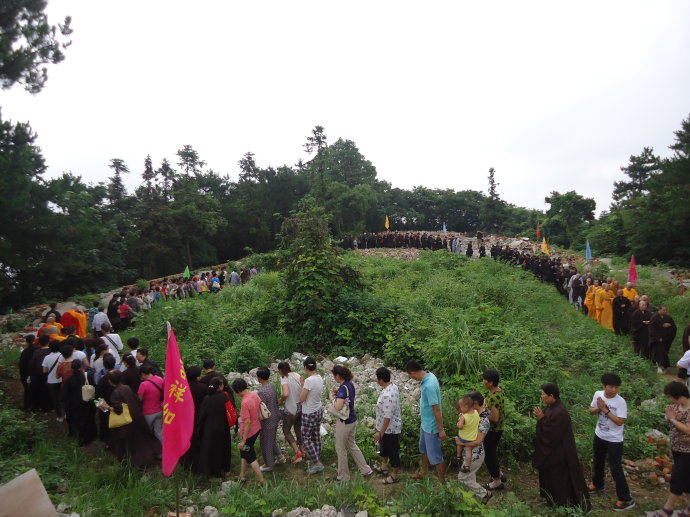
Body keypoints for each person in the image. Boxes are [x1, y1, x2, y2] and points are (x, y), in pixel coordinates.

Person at [533, 382, 590, 510]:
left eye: (543, 394)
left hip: (560, 452)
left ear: (551, 395)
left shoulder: (561, 412)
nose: (542, 396)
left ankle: (563, 502)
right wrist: (542, 419)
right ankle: (549, 497)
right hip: (552, 450)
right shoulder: (551, 407)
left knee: (559, 478)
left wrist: (542, 419)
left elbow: (552, 433)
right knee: (548, 475)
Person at [588, 373, 634, 512]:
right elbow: (591, 411)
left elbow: (620, 422)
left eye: (616, 387)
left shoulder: (620, 402)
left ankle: (626, 498)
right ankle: (598, 484)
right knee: (598, 461)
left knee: (615, 468)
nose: (614, 390)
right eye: (611, 387)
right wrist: (598, 408)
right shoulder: (598, 394)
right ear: (604, 386)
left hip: (614, 439)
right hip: (600, 434)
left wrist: (605, 410)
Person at [100, 370, 161, 470]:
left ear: (110, 382)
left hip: (127, 422)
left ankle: (136, 463)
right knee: (140, 440)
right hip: (136, 416)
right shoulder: (126, 387)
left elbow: (118, 410)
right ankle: (152, 455)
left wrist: (105, 406)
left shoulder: (115, 393)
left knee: (129, 444)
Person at [330, 365, 373, 482]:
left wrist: (332, 398)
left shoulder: (343, 388)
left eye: (334, 376)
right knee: (352, 445)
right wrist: (337, 393)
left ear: (338, 376)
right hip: (352, 419)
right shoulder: (349, 384)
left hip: (344, 422)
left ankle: (343, 476)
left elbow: (338, 406)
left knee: (340, 448)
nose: (334, 378)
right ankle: (366, 470)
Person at [405, 360, 446, 483]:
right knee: (423, 450)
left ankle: (443, 484)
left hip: (432, 427)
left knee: (436, 456)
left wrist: (441, 429)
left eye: (410, 375)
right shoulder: (430, 375)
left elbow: (436, 408)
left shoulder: (429, 385)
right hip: (425, 424)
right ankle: (423, 473)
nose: (411, 378)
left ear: (413, 373)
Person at [653, 382, 690, 517]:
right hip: (676, 449)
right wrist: (668, 417)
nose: (670, 400)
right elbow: (671, 421)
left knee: (677, 478)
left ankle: (667, 509)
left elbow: (688, 430)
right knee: (686, 482)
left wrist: (673, 419)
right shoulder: (677, 406)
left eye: (671, 397)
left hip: (688, 452)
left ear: (679, 395)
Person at [457, 391, 492, 504]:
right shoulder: (473, 414)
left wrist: (461, 443)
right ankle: (472, 501)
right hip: (470, 453)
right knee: (470, 477)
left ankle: (484, 493)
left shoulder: (483, 420)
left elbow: (478, 441)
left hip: (475, 454)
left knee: (463, 478)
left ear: (475, 403)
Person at [195, 377, 232, 479]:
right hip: (223, 427)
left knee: (211, 449)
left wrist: (198, 429)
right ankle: (226, 468)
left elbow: (201, 415)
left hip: (209, 428)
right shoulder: (224, 397)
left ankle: (212, 472)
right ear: (220, 386)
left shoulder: (207, 399)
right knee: (224, 448)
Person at [231, 378, 265, 486]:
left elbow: (246, 422)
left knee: (250, 456)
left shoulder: (245, 402)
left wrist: (243, 440)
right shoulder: (254, 394)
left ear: (238, 391)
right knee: (244, 453)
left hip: (248, 433)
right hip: (257, 428)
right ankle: (242, 475)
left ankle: (261, 480)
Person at [373, 367, 402, 485]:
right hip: (385, 428)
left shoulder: (388, 395)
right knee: (383, 449)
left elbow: (387, 417)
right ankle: (384, 467)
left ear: (380, 380)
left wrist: (381, 432)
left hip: (390, 429)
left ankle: (395, 475)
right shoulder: (393, 386)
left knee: (393, 451)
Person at [482, 368, 507, 491]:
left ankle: (496, 480)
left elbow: (495, 418)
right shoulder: (498, 391)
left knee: (489, 455)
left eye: (484, 380)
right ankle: (498, 473)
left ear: (490, 382)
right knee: (492, 452)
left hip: (493, 430)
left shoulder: (494, 397)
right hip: (498, 429)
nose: (483, 381)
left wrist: (483, 410)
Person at [61, 359, 97, 445]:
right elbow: (94, 387)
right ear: (81, 367)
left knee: (78, 421)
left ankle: (80, 438)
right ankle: (91, 436)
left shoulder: (69, 380)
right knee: (89, 419)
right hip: (87, 401)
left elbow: (64, 394)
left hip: (75, 404)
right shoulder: (87, 376)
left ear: (72, 368)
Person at [257, 366, 285, 472]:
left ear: (259, 378)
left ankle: (268, 464)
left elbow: (261, 407)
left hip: (267, 420)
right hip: (275, 415)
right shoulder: (272, 385)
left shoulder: (262, 392)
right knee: (271, 439)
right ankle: (280, 456)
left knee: (266, 442)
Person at [300, 357, 325, 475]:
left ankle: (317, 463)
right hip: (318, 409)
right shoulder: (319, 377)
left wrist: (302, 385)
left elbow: (302, 398)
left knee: (306, 438)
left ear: (305, 367)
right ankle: (317, 458)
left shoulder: (309, 381)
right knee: (316, 436)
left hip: (309, 412)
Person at [278, 361, 305, 463]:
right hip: (300, 407)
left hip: (291, 409)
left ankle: (297, 452)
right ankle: (303, 451)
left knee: (286, 430)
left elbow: (285, 393)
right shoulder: (297, 375)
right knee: (298, 428)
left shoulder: (284, 378)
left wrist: (280, 400)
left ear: (280, 370)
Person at [138, 364, 164, 442]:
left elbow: (140, 399)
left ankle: (150, 449)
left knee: (147, 432)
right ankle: (163, 449)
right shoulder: (160, 379)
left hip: (148, 413)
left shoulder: (143, 384)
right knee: (159, 432)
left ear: (143, 374)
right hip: (160, 410)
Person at [454, 395, 480, 473]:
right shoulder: (476, 412)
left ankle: (458, 456)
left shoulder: (463, 416)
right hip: (472, 438)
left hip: (463, 437)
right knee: (468, 450)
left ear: (466, 406)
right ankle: (467, 465)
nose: (460, 409)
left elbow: (460, 426)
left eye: (461, 407)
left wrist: (458, 421)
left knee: (458, 442)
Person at [650, 305, 677, 373]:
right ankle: (659, 366)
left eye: (666, 310)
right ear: (659, 310)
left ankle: (664, 366)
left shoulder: (668, 318)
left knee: (665, 352)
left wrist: (669, 325)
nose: (665, 311)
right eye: (664, 310)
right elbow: (652, 329)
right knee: (659, 353)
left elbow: (674, 327)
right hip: (657, 340)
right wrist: (658, 338)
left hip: (666, 339)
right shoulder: (654, 317)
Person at [28, 335, 52, 412]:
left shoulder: (37, 352)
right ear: (48, 342)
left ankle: (39, 406)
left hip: (38, 374)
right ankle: (49, 407)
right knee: (48, 391)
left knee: (40, 390)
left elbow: (32, 363)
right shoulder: (50, 351)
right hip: (49, 374)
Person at [42, 340, 63, 421]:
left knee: (56, 399)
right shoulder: (62, 356)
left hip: (51, 381)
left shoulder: (46, 357)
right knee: (63, 398)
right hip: (62, 380)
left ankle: (59, 416)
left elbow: (44, 371)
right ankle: (66, 414)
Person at [19, 334, 36, 410]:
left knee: (27, 390)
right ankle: (35, 405)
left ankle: (27, 406)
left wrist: (22, 375)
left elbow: (21, 364)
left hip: (26, 373)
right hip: (35, 373)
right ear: (34, 340)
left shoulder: (25, 352)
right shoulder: (37, 350)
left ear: (26, 341)